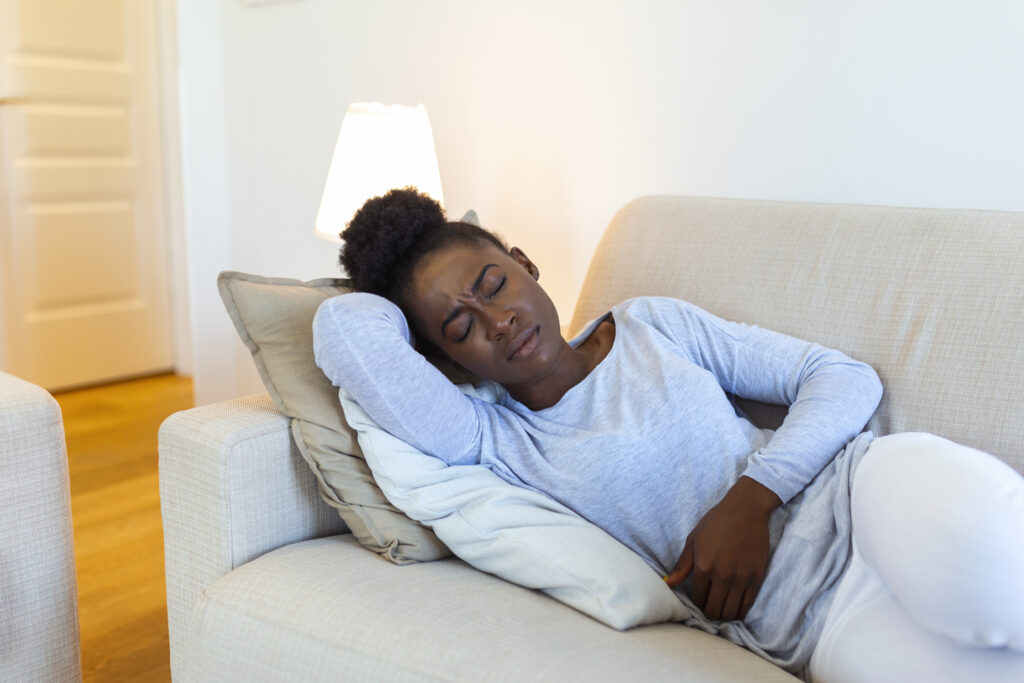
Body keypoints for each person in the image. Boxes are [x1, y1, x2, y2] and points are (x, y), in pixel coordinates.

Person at [312, 187, 1024, 681]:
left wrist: (751, 499)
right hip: (816, 627)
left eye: (493, 284)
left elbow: (842, 377)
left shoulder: (649, 324)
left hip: (863, 494)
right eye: (459, 326)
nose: (497, 321)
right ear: (444, 360)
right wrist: (392, 295)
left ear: (525, 264)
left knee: (997, 577)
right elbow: (343, 330)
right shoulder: (493, 439)